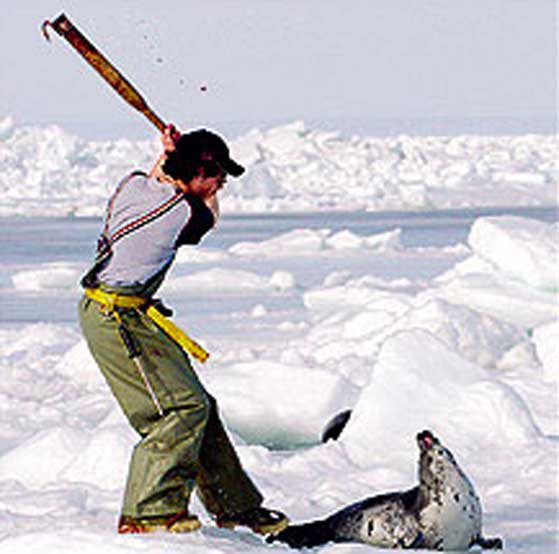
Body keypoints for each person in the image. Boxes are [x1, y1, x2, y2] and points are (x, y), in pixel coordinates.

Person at [78, 125, 289, 535]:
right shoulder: (179, 213)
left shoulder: (134, 186)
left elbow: (160, 176)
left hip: (129, 312)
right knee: (178, 410)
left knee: (198, 405)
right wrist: (191, 172)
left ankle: (235, 505)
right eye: (217, 177)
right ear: (196, 172)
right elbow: (209, 213)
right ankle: (149, 513)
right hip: (115, 320)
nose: (221, 185)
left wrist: (172, 155)